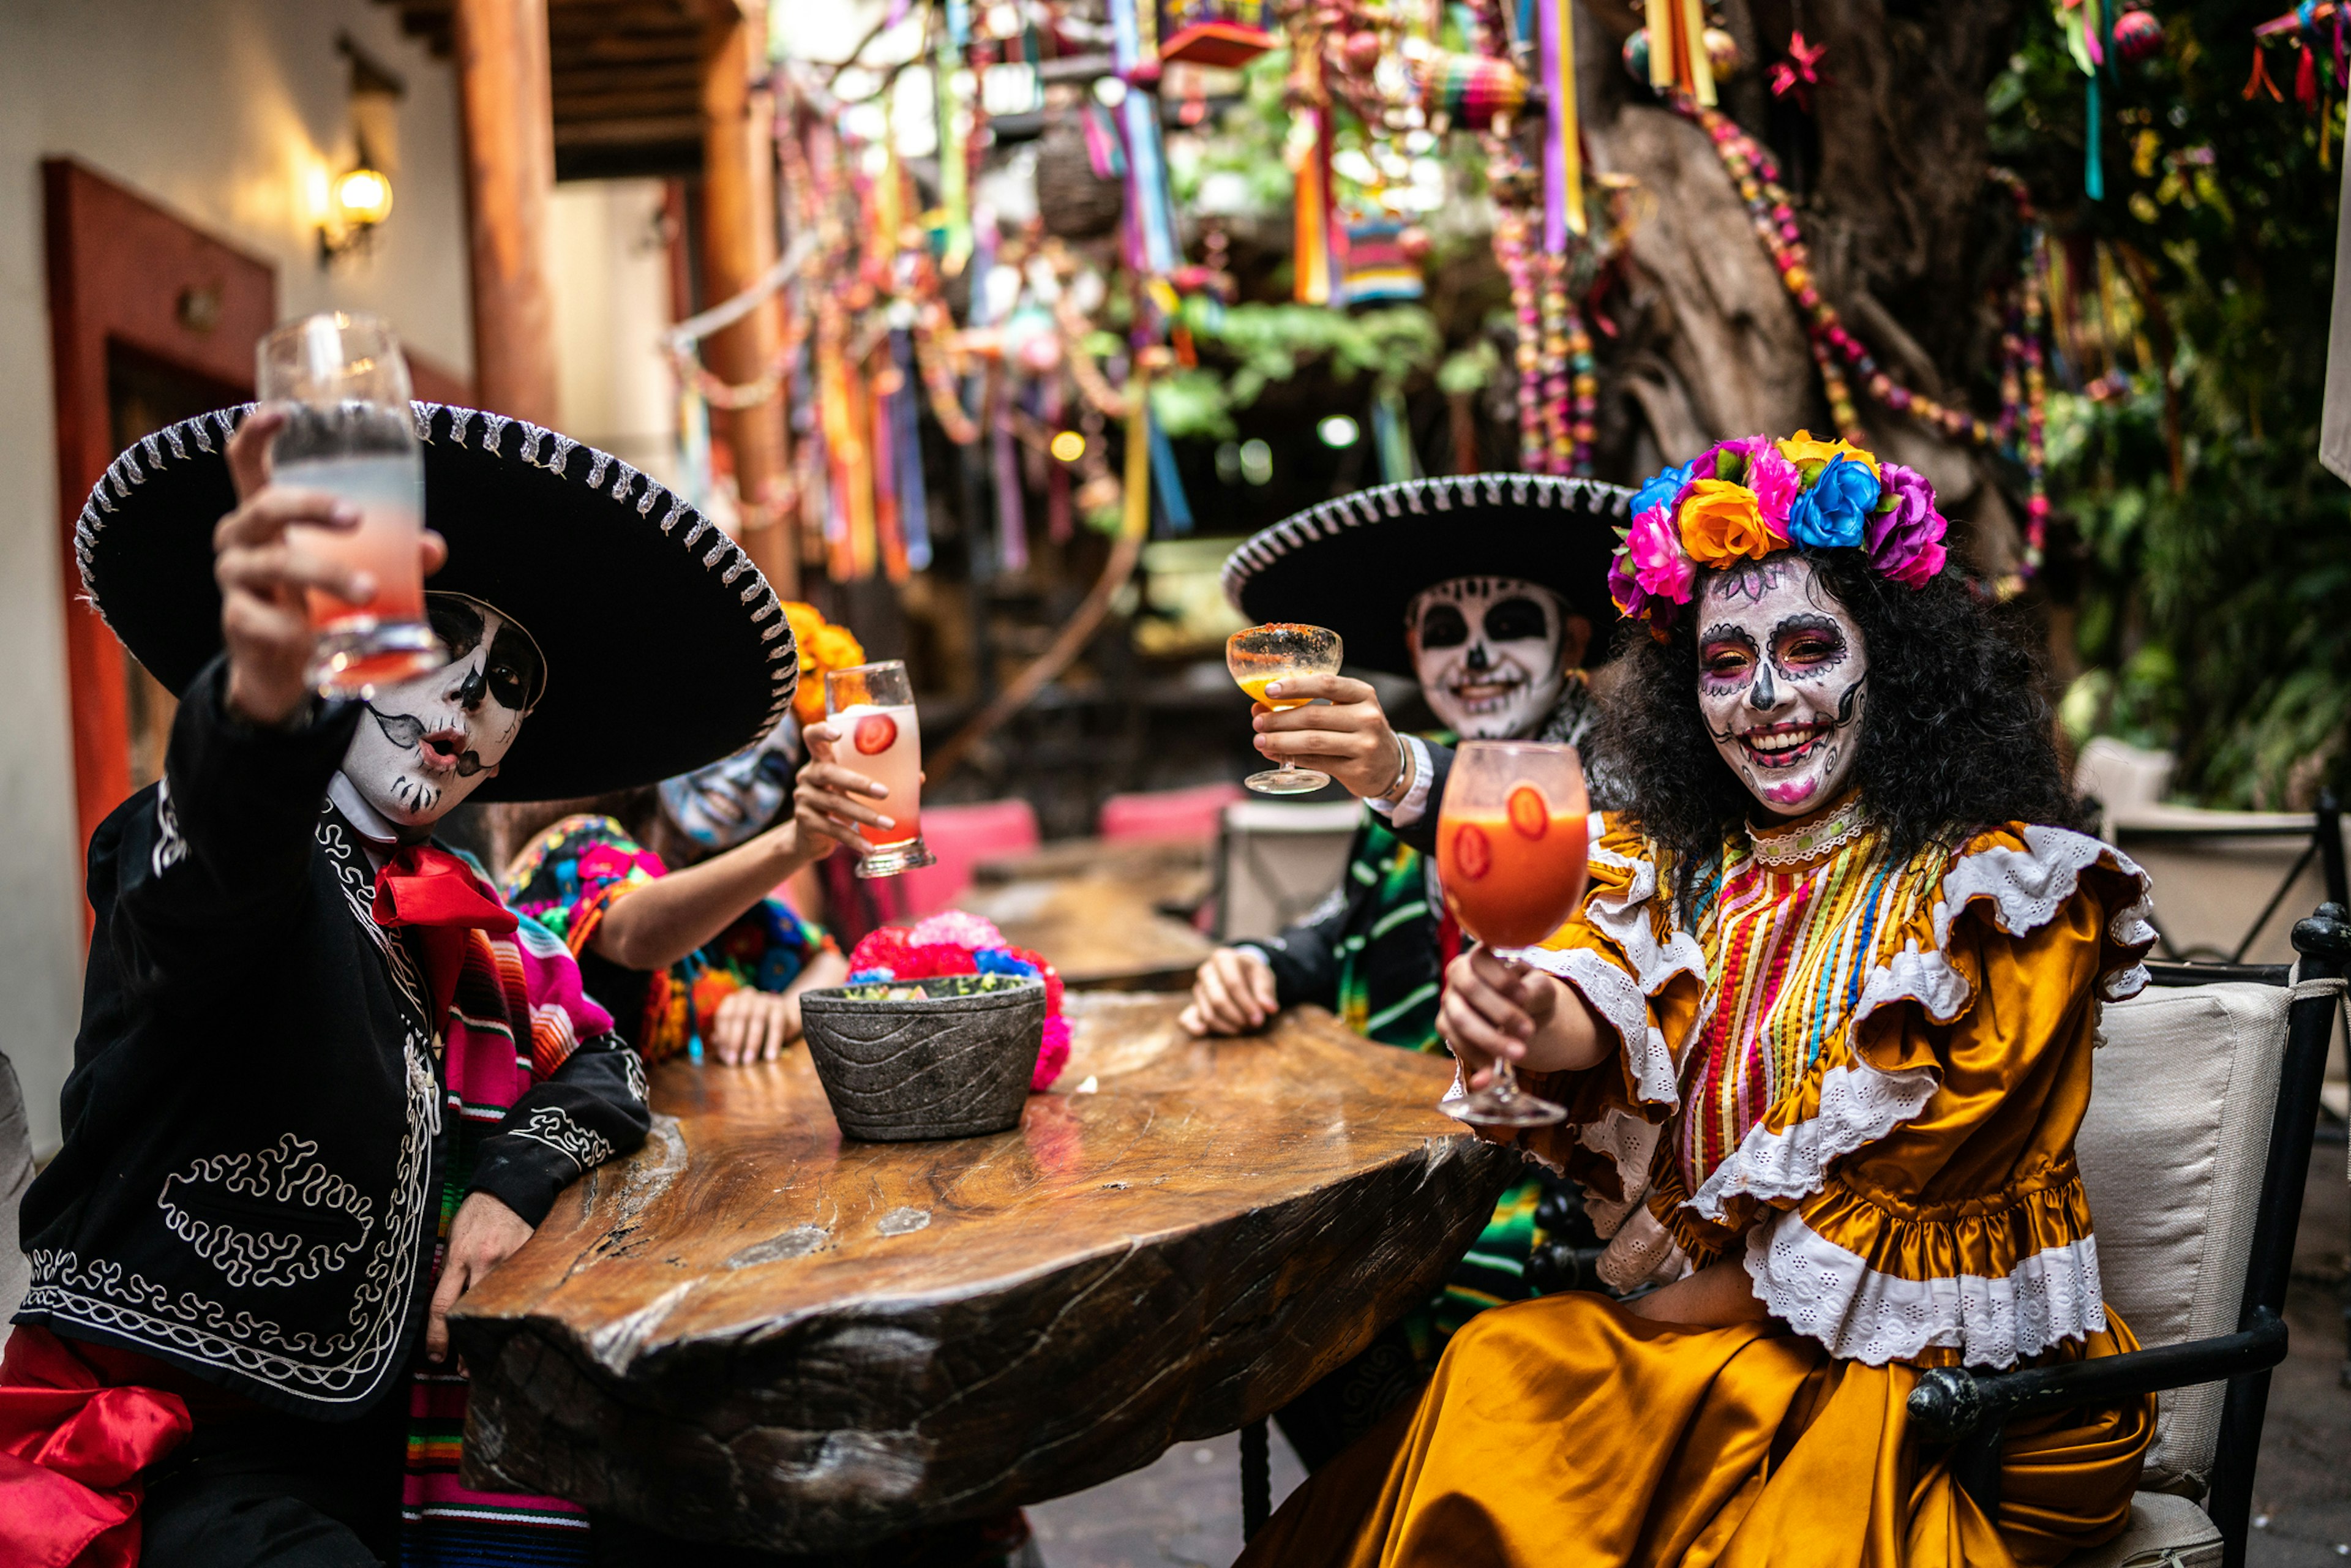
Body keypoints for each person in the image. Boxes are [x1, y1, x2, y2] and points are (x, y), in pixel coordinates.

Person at [1237, 433, 2159, 1568]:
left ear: (1903, 662)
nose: (1768, 698)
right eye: (1725, 664)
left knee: (1513, 1382)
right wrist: (1525, 1011)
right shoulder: (1685, 871)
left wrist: (1625, 1328)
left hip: (1930, 1392)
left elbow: (1880, 1238)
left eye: (1811, 647)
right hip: (1727, 1341)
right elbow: (1606, 1006)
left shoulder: (2010, 903)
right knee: (1493, 1377)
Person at [1, 400, 801, 1567]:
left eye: (506, 681)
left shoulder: (463, 915)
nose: (462, 707)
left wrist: (511, 1182)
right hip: (170, 1450)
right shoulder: (200, 857)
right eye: (432, 648)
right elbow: (212, 863)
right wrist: (260, 701)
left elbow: (601, 1059)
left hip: (396, 1446)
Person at [1194, 473, 1633, 1461]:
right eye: (1443, 632)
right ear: (1412, 654)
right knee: (1264, 1313)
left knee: (1305, 1317)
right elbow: (1346, 926)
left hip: (1560, 1208)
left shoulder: (1622, 768)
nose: (1473, 656)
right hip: (1408, 1169)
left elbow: (1550, 839)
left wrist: (1400, 773)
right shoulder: (1407, 782)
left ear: (1569, 642)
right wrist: (1257, 962)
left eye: (1509, 621)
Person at [498, 602, 877, 1068]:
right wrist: (793, 844)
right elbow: (637, 935)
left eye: (772, 769)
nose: (742, 778)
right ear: (670, 740)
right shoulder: (572, 846)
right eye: (733, 748)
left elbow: (831, 963)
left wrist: (779, 1008)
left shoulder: (731, 911)